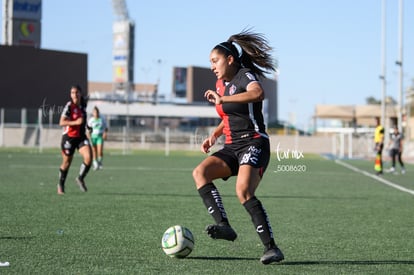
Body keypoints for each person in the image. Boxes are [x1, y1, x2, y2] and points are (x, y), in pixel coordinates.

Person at [192, 30, 284, 265]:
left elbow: (257, 93)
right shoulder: (220, 84)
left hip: (254, 142)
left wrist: (223, 100)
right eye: (210, 62)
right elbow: (228, 117)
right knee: (200, 173)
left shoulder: (245, 76)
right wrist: (213, 136)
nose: (212, 66)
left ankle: (271, 248)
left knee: (242, 191)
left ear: (230, 59)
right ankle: (224, 226)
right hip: (232, 147)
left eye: (215, 61)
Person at [57, 85, 92, 195]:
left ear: (80, 94)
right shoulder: (69, 106)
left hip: (81, 137)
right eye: (72, 92)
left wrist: (87, 127)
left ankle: (80, 178)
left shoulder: (83, 106)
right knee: (66, 163)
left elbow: (83, 121)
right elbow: (61, 122)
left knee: (89, 158)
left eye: (76, 92)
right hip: (69, 138)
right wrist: (75, 122)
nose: (74, 94)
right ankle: (61, 185)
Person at [87, 106, 108, 170]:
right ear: (93, 113)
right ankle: (95, 163)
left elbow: (106, 127)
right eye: (94, 112)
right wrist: (89, 136)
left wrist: (105, 133)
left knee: (100, 151)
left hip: (99, 137)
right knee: (94, 150)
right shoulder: (91, 120)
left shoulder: (102, 119)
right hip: (93, 137)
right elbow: (88, 130)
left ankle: (99, 162)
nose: (96, 113)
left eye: (97, 112)